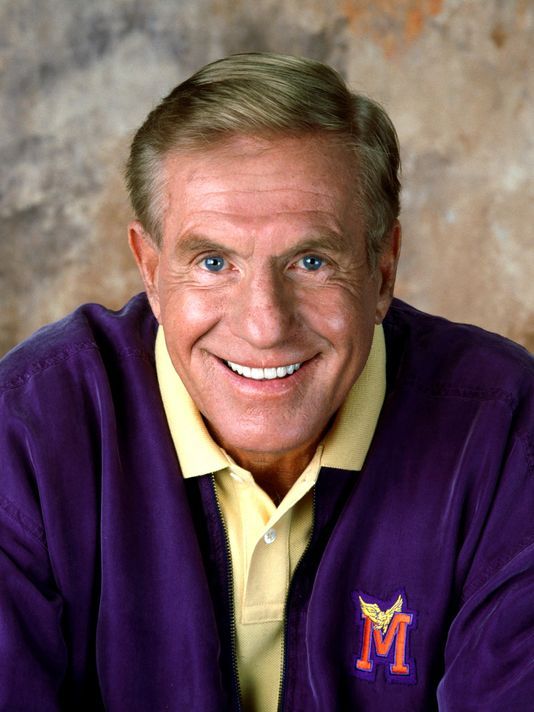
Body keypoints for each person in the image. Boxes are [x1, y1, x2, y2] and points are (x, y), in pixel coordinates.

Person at [0, 52, 532, 712]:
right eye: (213, 262)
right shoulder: (25, 435)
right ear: (151, 270)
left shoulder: (506, 433)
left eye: (311, 261)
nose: (264, 326)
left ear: (383, 270)